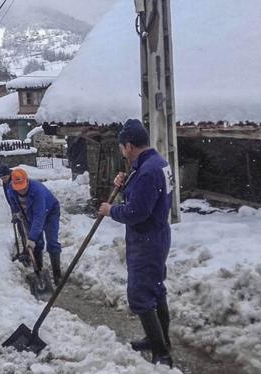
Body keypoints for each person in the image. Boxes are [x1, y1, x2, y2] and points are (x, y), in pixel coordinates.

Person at [98, 119, 174, 367]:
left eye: (122, 147)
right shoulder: (156, 164)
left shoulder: (147, 171)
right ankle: (159, 339)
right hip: (157, 235)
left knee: (141, 295)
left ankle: (161, 353)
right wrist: (123, 185)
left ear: (129, 145)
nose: (122, 151)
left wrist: (112, 210)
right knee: (156, 288)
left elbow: (136, 212)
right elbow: (144, 198)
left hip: (146, 239)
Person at [8, 168, 62, 285]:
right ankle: (39, 271)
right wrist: (17, 213)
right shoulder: (11, 191)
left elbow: (39, 216)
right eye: (18, 188)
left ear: (27, 181)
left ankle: (57, 275)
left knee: (51, 241)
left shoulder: (37, 191)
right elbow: (14, 204)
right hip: (29, 215)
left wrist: (31, 238)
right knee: (37, 243)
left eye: (23, 187)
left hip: (50, 211)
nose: (21, 191)